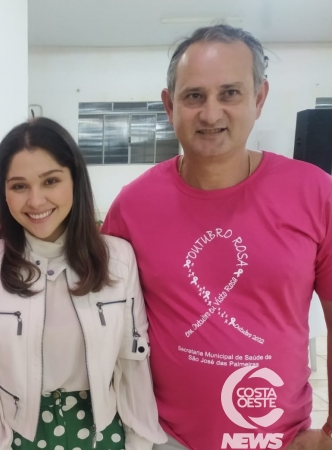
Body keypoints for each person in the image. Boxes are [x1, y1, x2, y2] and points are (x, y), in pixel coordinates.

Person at [102, 24, 332, 450]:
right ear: (170, 105)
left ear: (259, 98)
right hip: (162, 439)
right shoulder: (133, 206)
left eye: (230, 93)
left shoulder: (315, 193)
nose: (210, 114)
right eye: (194, 96)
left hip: (277, 438)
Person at [0, 117, 167, 450]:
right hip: (18, 436)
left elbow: (132, 362)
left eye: (50, 181)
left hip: (102, 433)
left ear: (75, 181)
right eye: (19, 186)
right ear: (4, 193)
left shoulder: (119, 260)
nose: (36, 201)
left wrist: (140, 443)